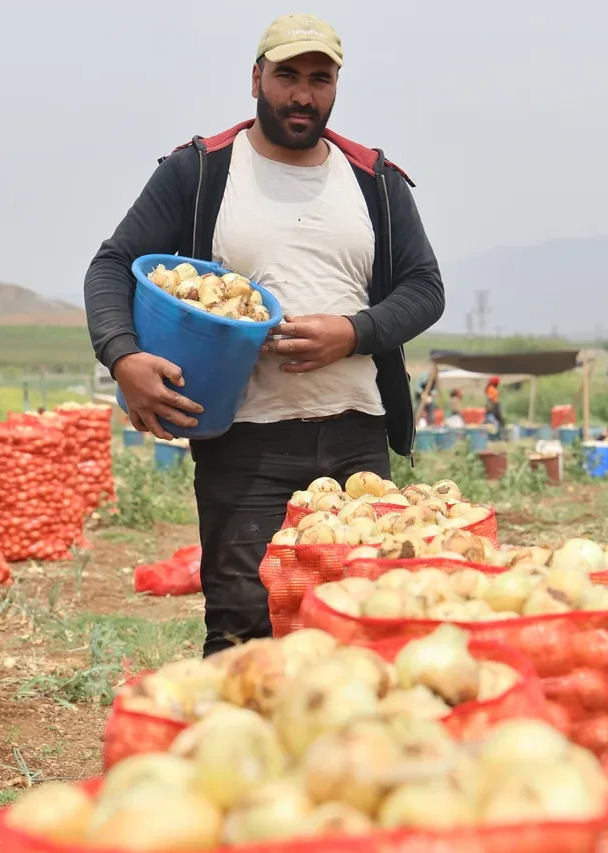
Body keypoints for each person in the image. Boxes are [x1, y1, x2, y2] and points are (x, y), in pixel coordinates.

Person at [83, 15, 445, 657]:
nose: (302, 95)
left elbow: (423, 288)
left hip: (357, 430)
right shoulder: (201, 172)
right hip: (245, 439)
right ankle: (234, 750)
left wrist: (354, 331)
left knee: (361, 624)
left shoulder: (375, 182)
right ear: (257, 78)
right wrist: (123, 356)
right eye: (286, 76)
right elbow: (113, 264)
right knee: (244, 621)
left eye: (319, 79)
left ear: (336, 86)